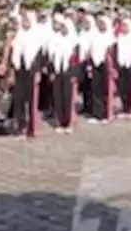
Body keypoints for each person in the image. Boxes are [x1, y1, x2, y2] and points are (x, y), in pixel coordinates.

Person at [10, 8, 45, 136]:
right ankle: (20, 126)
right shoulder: (19, 35)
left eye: (27, 20)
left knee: (32, 100)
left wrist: (37, 72)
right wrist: (13, 72)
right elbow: (14, 54)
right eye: (23, 20)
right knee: (18, 99)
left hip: (32, 71)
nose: (25, 23)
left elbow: (39, 57)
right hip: (20, 70)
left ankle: (32, 128)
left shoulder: (36, 37)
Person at [48, 15, 81, 132]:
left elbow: (77, 60)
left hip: (69, 73)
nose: (63, 29)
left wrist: (74, 75)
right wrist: (51, 72)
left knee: (68, 98)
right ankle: (60, 122)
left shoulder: (74, 43)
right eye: (62, 27)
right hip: (58, 72)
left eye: (65, 27)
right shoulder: (56, 40)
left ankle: (69, 123)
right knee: (58, 97)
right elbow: (51, 57)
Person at [84, 10, 115, 124]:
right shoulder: (94, 36)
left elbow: (112, 54)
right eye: (99, 23)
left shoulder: (110, 38)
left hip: (106, 65)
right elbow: (90, 51)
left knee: (106, 90)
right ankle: (97, 114)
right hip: (95, 64)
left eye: (103, 24)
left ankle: (106, 115)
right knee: (95, 89)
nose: (101, 25)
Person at [113, 12, 131, 119]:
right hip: (121, 66)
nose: (123, 28)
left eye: (125, 26)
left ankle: (129, 110)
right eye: (123, 26)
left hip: (130, 67)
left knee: (130, 89)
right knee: (121, 88)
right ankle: (123, 108)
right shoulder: (119, 38)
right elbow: (115, 53)